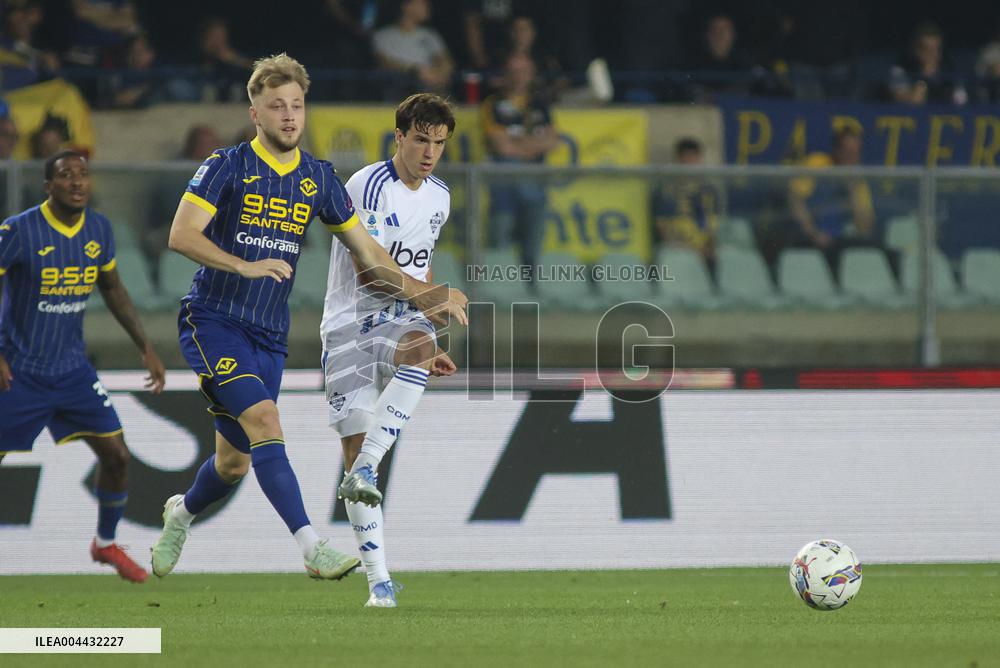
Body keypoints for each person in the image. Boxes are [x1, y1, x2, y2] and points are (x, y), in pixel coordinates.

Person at [151, 54, 467, 581]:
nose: (289, 116)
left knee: (233, 463)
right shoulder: (227, 165)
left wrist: (424, 299)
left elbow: (369, 253)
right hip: (214, 319)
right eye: (277, 106)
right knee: (266, 423)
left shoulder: (318, 177)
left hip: (269, 333)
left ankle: (180, 514)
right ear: (255, 113)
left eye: (296, 105)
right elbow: (181, 234)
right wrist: (243, 265)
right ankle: (312, 548)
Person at [0, 150, 166, 582]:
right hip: (20, 371)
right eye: (66, 175)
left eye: (83, 174)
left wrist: (145, 346)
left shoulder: (98, 229)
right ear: (48, 186)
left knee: (117, 457)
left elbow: (113, 288)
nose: (77, 182)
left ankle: (105, 544)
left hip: (73, 371)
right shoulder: (18, 231)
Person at [322, 93, 457, 608]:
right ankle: (379, 583)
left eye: (438, 143)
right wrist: (433, 297)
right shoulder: (369, 185)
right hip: (348, 326)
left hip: (397, 321)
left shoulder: (440, 196)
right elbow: (371, 274)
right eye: (420, 140)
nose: (429, 152)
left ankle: (367, 468)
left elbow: (418, 264)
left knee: (422, 344)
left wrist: (425, 321)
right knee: (354, 443)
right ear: (398, 137)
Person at [481, 52, 560, 278]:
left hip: (535, 185)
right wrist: (534, 145)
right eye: (514, 71)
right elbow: (501, 147)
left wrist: (517, 142)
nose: (519, 77)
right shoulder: (493, 105)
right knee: (500, 242)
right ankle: (499, 288)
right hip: (504, 189)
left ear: (532, 74)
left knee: (534, 243)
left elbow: (553, 141)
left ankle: (531, 285)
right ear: (505, 74)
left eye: (524, 71)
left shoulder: (540, 105)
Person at [787, 127, 898, 282]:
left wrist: (853, 190)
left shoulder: (857, 180)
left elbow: (865, 228)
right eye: (848, 151)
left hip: (838, 240)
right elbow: (795, 200)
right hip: (809, 238)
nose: (853, 158)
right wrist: (813, 233)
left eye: (856, 153)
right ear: (837, 151)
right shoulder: (818, 163)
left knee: (886, 253)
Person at [653, 138, 721, 276]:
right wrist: (687, 249)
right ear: (678, 160)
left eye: (694, 159)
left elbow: (713, 225)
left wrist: (709, 248)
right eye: (686, 159)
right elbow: (663, 230)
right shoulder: (666, 191)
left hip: (705, 254)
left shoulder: (709, 190)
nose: (690, 164)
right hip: (677, 252)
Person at [372, 0, 454, 98]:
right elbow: (385, 63)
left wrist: (441, 73)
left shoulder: (430, 35)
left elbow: (445, 60)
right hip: (397, 92)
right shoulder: (383, 36)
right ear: (406, 6)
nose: (427, 7)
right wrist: (417, 72)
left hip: (430, 92)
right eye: (421, 3)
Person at [888, 22, 967, 106]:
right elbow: (911, 104)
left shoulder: (949, 69)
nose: (933, 54)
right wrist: (924, 80)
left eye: (937, 49)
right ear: (916, 50)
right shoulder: (901, 69)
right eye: (927, 49)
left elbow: (961, 103)